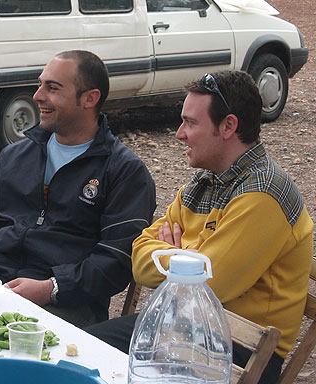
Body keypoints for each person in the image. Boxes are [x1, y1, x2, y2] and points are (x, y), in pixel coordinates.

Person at [86, 71, 314, 384]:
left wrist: (176, 255)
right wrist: (186, 258)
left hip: (239, 351)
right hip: (184, 329)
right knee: (82, 350)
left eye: (190, 123)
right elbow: (139, 261)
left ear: (228, 126)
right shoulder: (204, 181)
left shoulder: (263, 193)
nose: (179, 134)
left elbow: (207, 286)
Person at [0, 50, 156, 327]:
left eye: (52, 88)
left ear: (90, 98)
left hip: (68, 304)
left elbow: (116, 261)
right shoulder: (13, 156)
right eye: (40, 84)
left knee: (0, 344)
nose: (38, 96)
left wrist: (51, 288)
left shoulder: (125, 171)